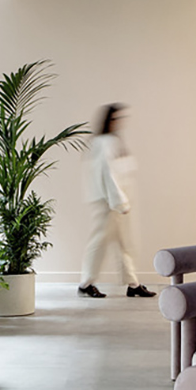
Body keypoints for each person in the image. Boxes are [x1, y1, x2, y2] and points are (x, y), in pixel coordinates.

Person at [79, 103, 154, 298]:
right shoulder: (105, 142)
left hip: (116, 201)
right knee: (100, 241)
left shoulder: (109, 141)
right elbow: (107, 172)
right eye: (117, 118)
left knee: (124, 243)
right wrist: (119, 202)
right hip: (109, 202)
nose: (120, 122)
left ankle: (133, 283)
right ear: (109, 120)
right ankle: (86, 283)